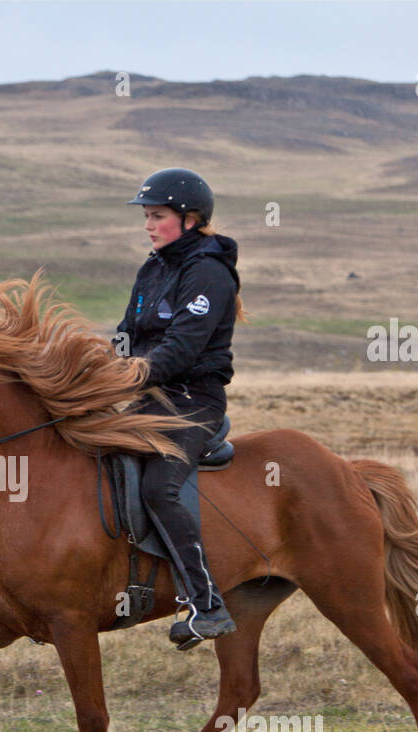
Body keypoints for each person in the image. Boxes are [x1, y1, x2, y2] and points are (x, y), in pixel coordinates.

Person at [113, 168, 244, 650]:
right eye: (146, 217)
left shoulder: (206, 271)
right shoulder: (153, 268)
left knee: (160, 487)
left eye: (157, 216)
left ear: (190, 219)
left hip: (193, 401)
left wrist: (131, 375)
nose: (149, 225)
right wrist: (99, 367)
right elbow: (128, 334)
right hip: (149, 397)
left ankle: (206, 604)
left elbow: (182, 348)